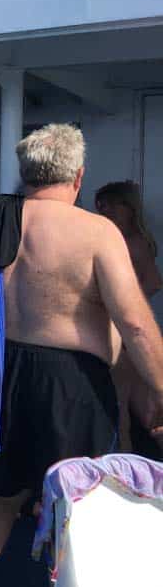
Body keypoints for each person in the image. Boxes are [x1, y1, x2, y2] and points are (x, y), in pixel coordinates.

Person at [0, 124, 163, 586]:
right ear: (78, 176)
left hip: (4, 373)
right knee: (80, 504)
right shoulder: (97, 232)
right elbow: (136, 323)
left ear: (26, 173)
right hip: (73, 384)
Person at [96, 180, 163, 458]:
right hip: (119, 330)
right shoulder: (116, 239)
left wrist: (121, 305)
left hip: (123, 333)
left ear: (128, 208)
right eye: (101, 205)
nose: (104, 211)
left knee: (124, 403)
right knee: (136, 405)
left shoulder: (133, 242)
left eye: (111, 205)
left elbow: (154, 282)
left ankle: (123, 461)